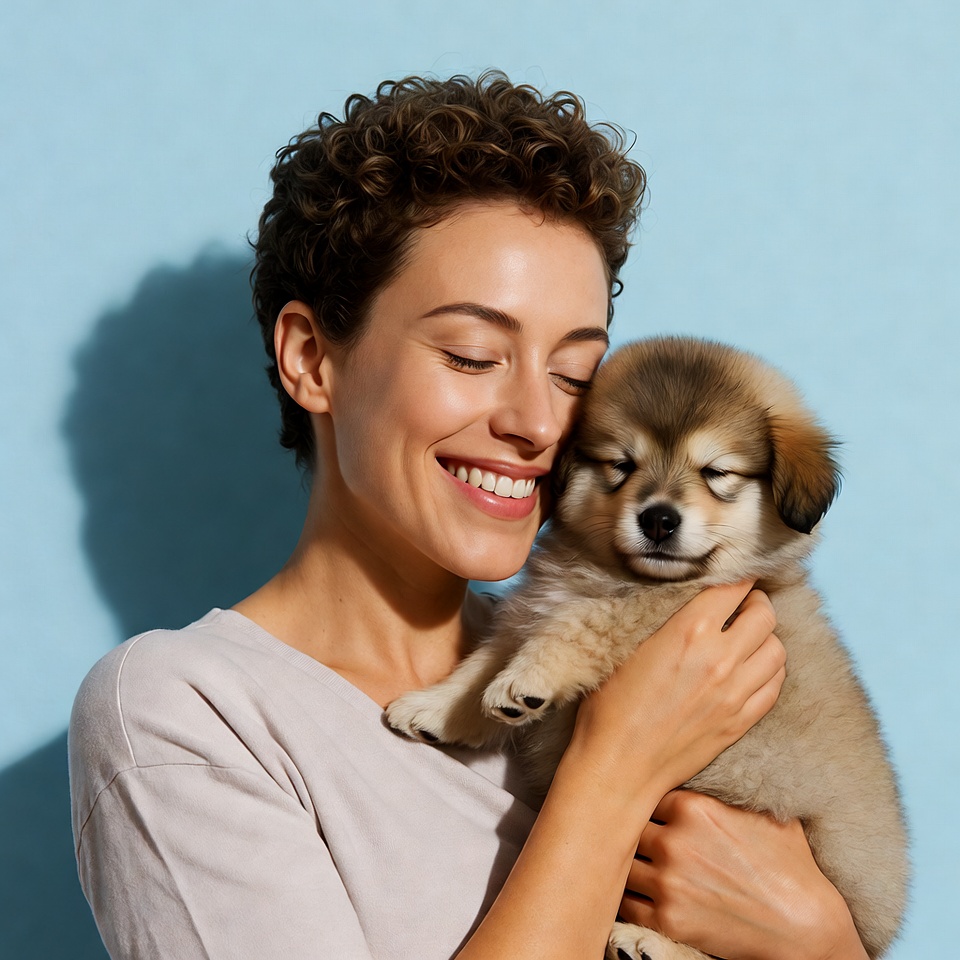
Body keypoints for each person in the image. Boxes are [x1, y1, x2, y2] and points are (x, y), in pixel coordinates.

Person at [69, 73, 869, 960]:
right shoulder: (187, 714)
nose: (536, 423)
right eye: (473, 353)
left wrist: (821, 943)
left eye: (574, 374)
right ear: (310, 359)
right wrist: (613, 772)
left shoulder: (651, 656)